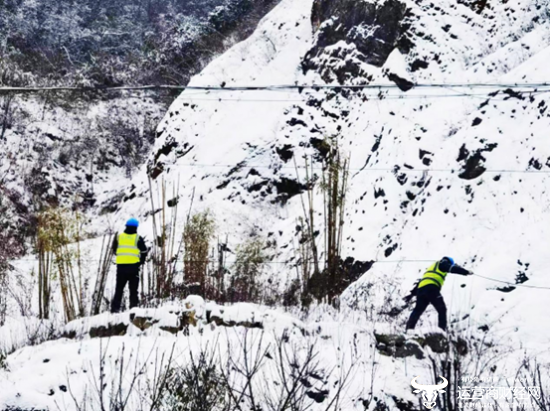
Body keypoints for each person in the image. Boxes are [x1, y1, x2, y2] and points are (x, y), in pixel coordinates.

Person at [406, 257, 472, 331]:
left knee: (417, 311)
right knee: (442, 309)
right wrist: (466, 272)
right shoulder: (442, 264)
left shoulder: (431, 268)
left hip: (421, 290)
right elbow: (452, 268)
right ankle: (441, 330)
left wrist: (411, 294)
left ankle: (409, 329)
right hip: (431, 288)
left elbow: (422, 281)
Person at [111, 218, 148, 313]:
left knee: (119, 289)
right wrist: (141, 261)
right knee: (133, 291)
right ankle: (133, 310)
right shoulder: (137, 238)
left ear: (126, 226)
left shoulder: (119, 237)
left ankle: (115, 310)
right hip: (134, 268)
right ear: (136, 227)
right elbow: (144, 251)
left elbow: (114, 250)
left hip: (121, 267)